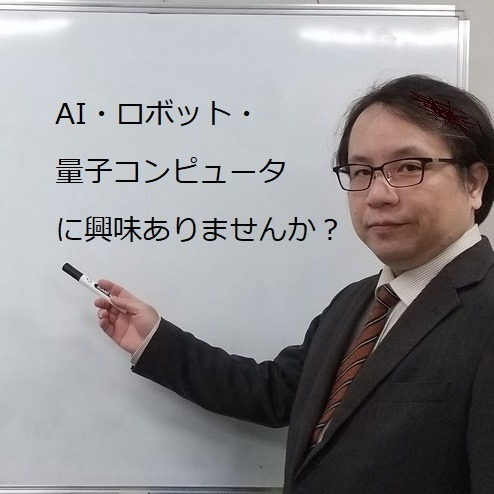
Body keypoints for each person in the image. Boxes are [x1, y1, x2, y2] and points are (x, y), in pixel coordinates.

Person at [94, 74, 494, 494]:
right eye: (361, 171)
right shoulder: (357, 302)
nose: (378, 194)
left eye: (408, 167)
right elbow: (274, 392)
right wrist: (154, 339)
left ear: (474, 183)